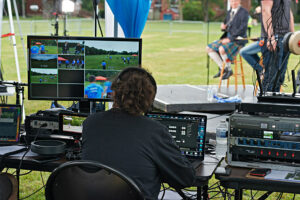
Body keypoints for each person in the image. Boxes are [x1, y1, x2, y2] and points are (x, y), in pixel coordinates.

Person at [82, 67, 196, 200]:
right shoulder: (155, 131)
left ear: (114, 92)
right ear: (150, 99)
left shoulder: (90, 123)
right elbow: (186, 179)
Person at [206, 0, 249, 80]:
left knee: (221, 49)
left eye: (235, 1)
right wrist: (223, 27)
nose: (233, 3)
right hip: (227, 38)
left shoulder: (244, 13)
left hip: (238, 40)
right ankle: (225, 68)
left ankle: (227, 69)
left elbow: (242, 29)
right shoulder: (229, 12)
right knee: (209, 48)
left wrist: (230, 39)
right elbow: (226, 25)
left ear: (239, 1)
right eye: (232, 1)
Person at [260, 0, 294, 92]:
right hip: (274, 38)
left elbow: (288, 12)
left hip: (285, 37)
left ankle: (274, 104)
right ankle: (265, 104)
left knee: (279, 78)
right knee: (270, 79)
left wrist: (292, 35)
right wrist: (271, 37)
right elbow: (265, 11)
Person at [240, 6, 264, 75]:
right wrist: (258, 38)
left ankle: (261, 70)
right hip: (263, 39)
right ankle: (263, 68)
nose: (259, 17)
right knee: (247, 52)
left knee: (243, 52)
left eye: (259, 15)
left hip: (266, 42)